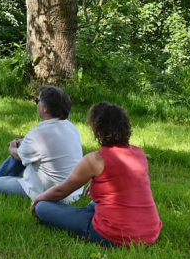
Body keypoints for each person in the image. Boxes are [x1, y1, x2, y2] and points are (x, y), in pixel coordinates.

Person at [31, 102, 162, 247]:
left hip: (114, 235)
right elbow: (127, 185)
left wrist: (39, 199)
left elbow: (62, 190)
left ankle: (88, 220)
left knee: (43, 207)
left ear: (97, 129)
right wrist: (97, 186)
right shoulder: (139, 153)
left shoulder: (95, 159)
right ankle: (91, 214)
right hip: (150, 232)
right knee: (95, 203)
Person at [0, 85, 85, 204]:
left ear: (45, 109)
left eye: (37, 101)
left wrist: (12, 148)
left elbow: (18, 156)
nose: (36, 104)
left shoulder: (38, 134)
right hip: (73, 193)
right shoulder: (70, 127)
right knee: (24, 150)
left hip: (49, 193)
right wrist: (24, 144)